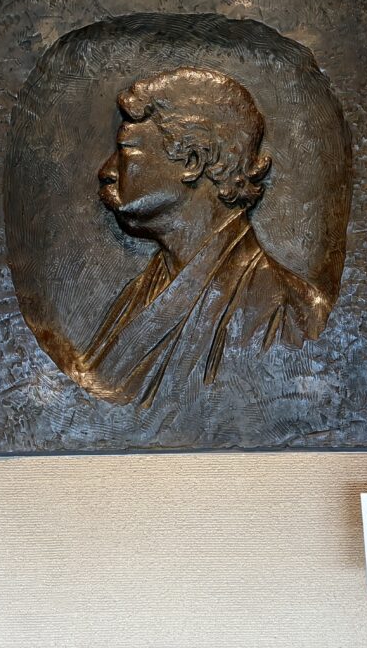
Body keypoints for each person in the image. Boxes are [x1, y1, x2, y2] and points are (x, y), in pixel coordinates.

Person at [71, 67, 330, 407]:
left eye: (125, 149)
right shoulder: (140, 293)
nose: (106, 170)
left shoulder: (288, 313)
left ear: (193, 161)